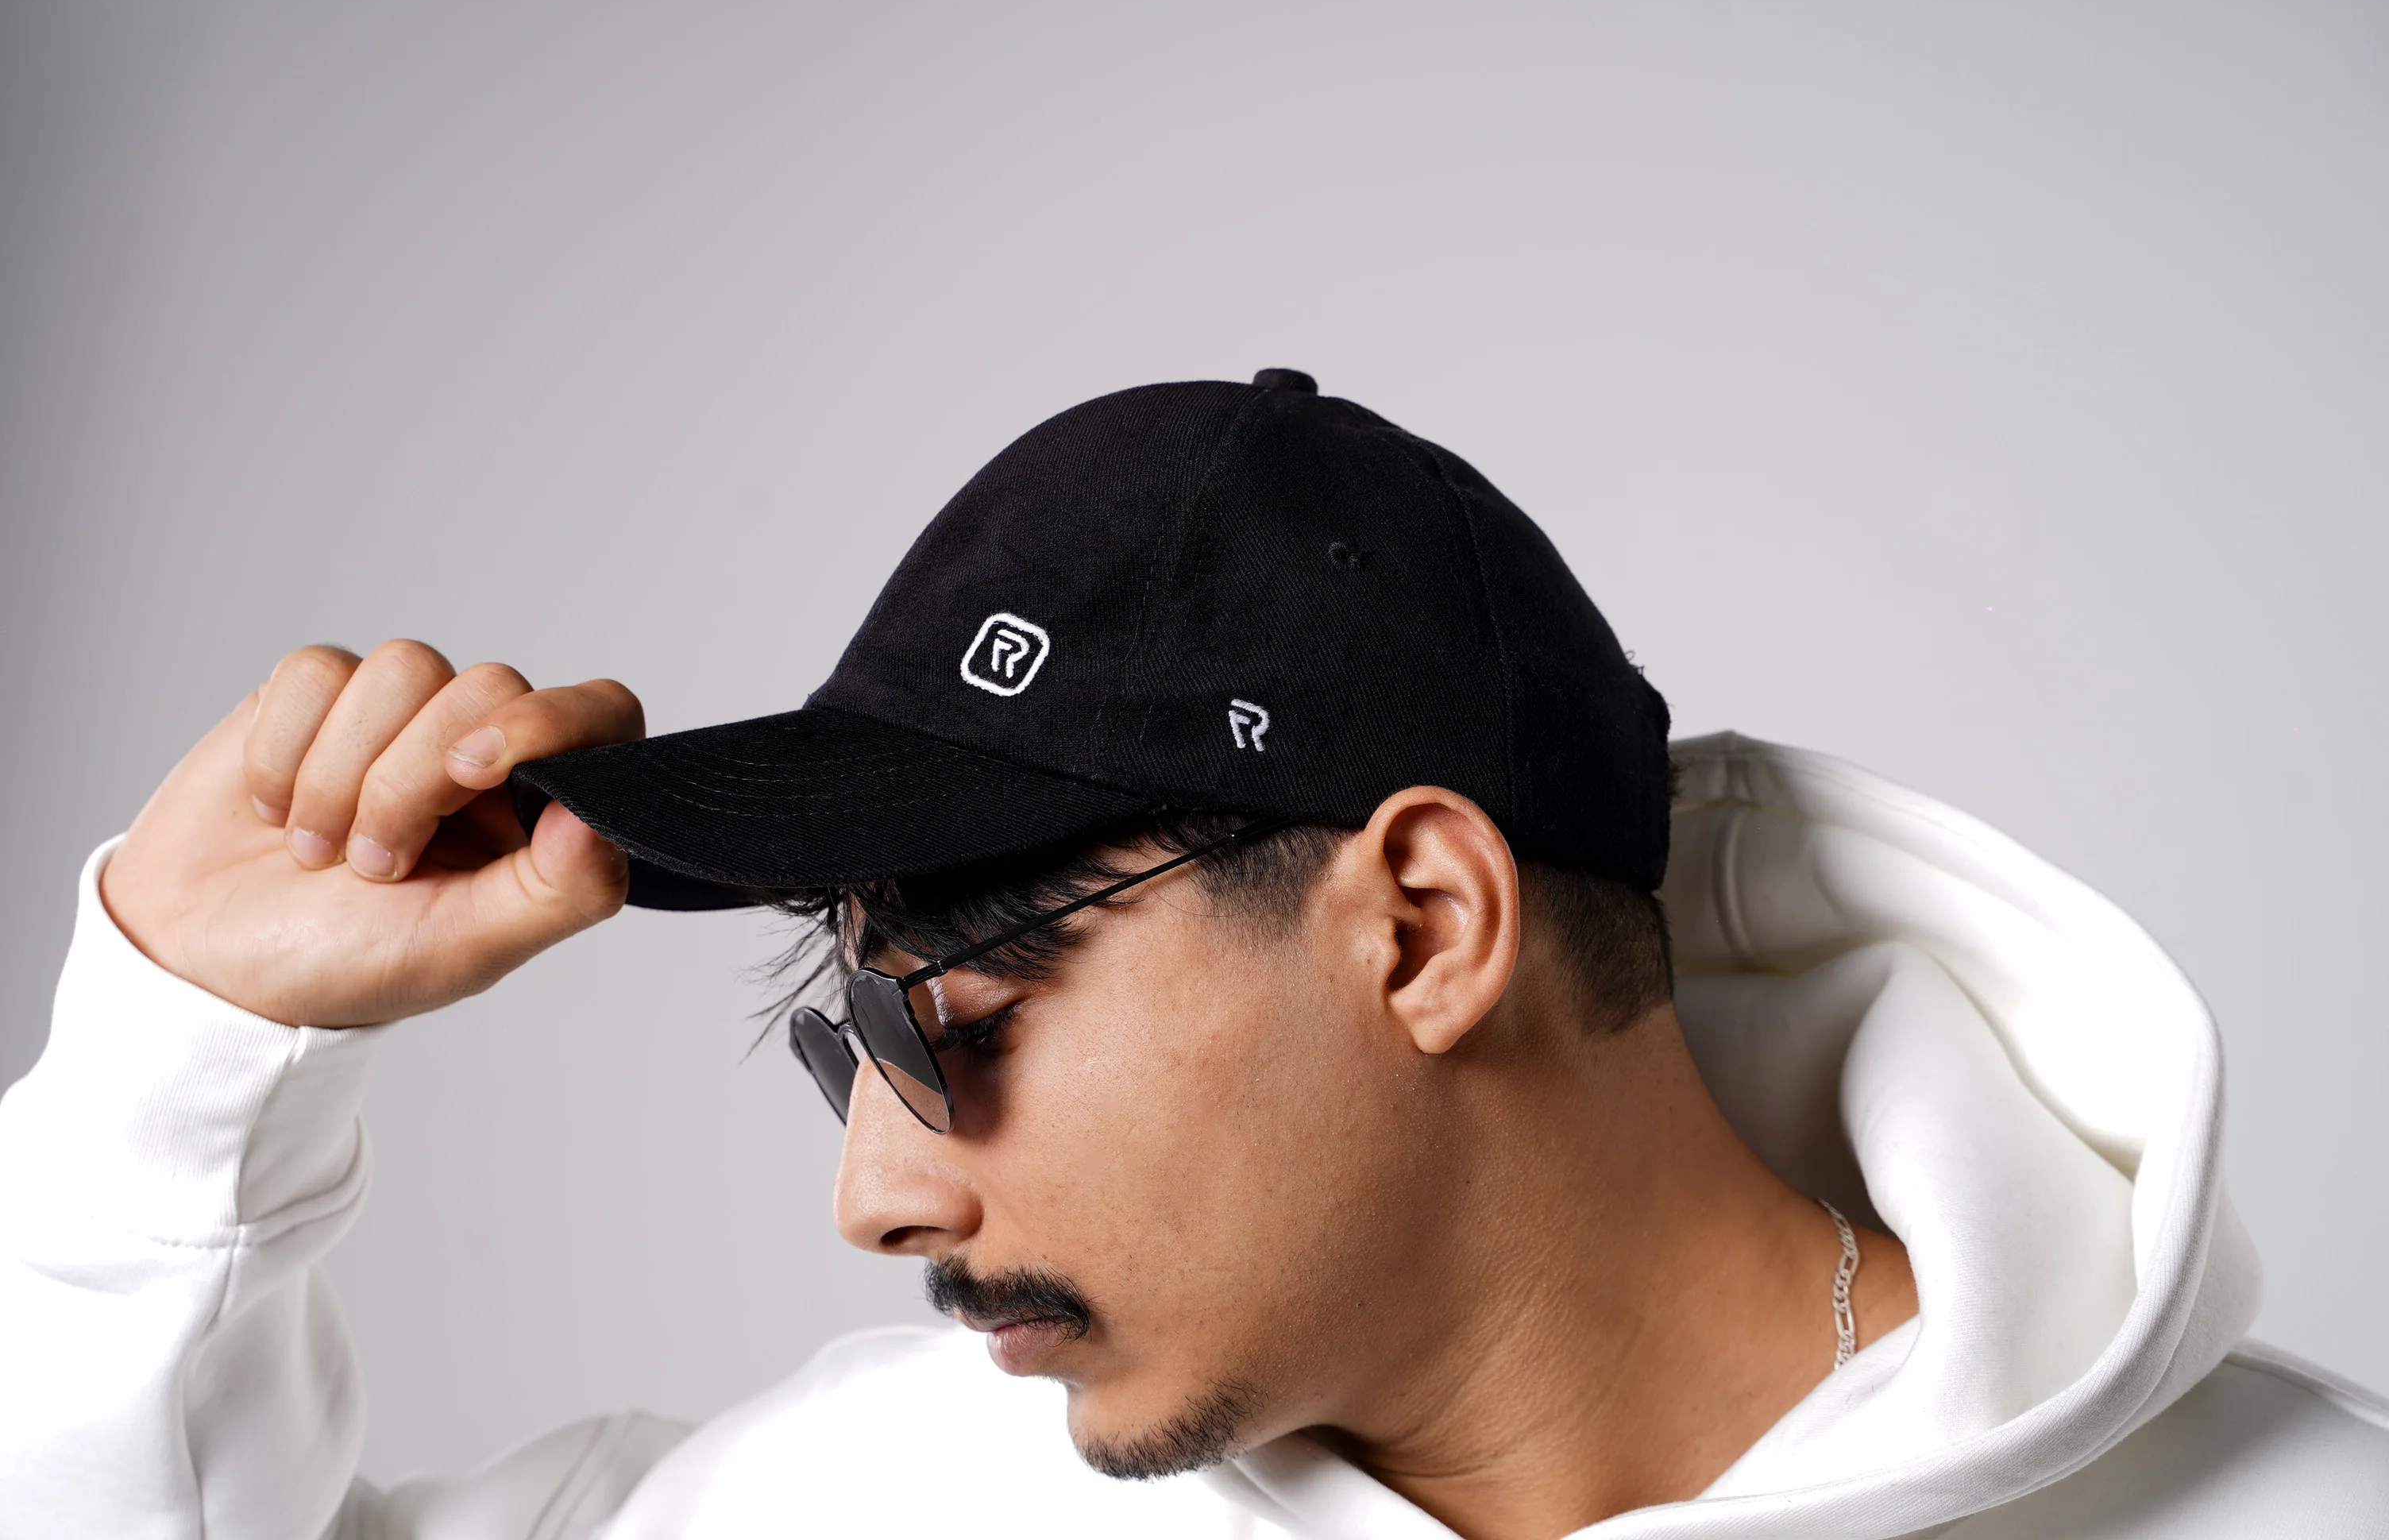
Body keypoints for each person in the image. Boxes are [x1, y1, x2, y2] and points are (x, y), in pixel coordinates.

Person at [2, 370, 2383, 1539]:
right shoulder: (894, 1502)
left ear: (1423, 924)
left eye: (957, 1010)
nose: (874, 1198)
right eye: (844, 1035)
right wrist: (175, 1071)